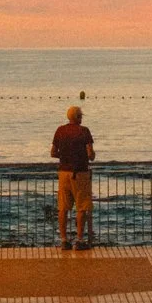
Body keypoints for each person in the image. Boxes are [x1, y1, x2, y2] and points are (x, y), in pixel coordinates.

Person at [52, 105, 94, 251]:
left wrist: (65, 156)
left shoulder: (60, 130)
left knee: (63, 208)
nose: (82, 118)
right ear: (78, 117)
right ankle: (80, 239)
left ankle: (64, 240)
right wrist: (89, 156)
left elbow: (53, 152)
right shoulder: (84, 131)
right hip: (80, 173)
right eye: (81, 116)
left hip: (63, 172)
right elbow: (90, 154)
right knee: (81, 207)